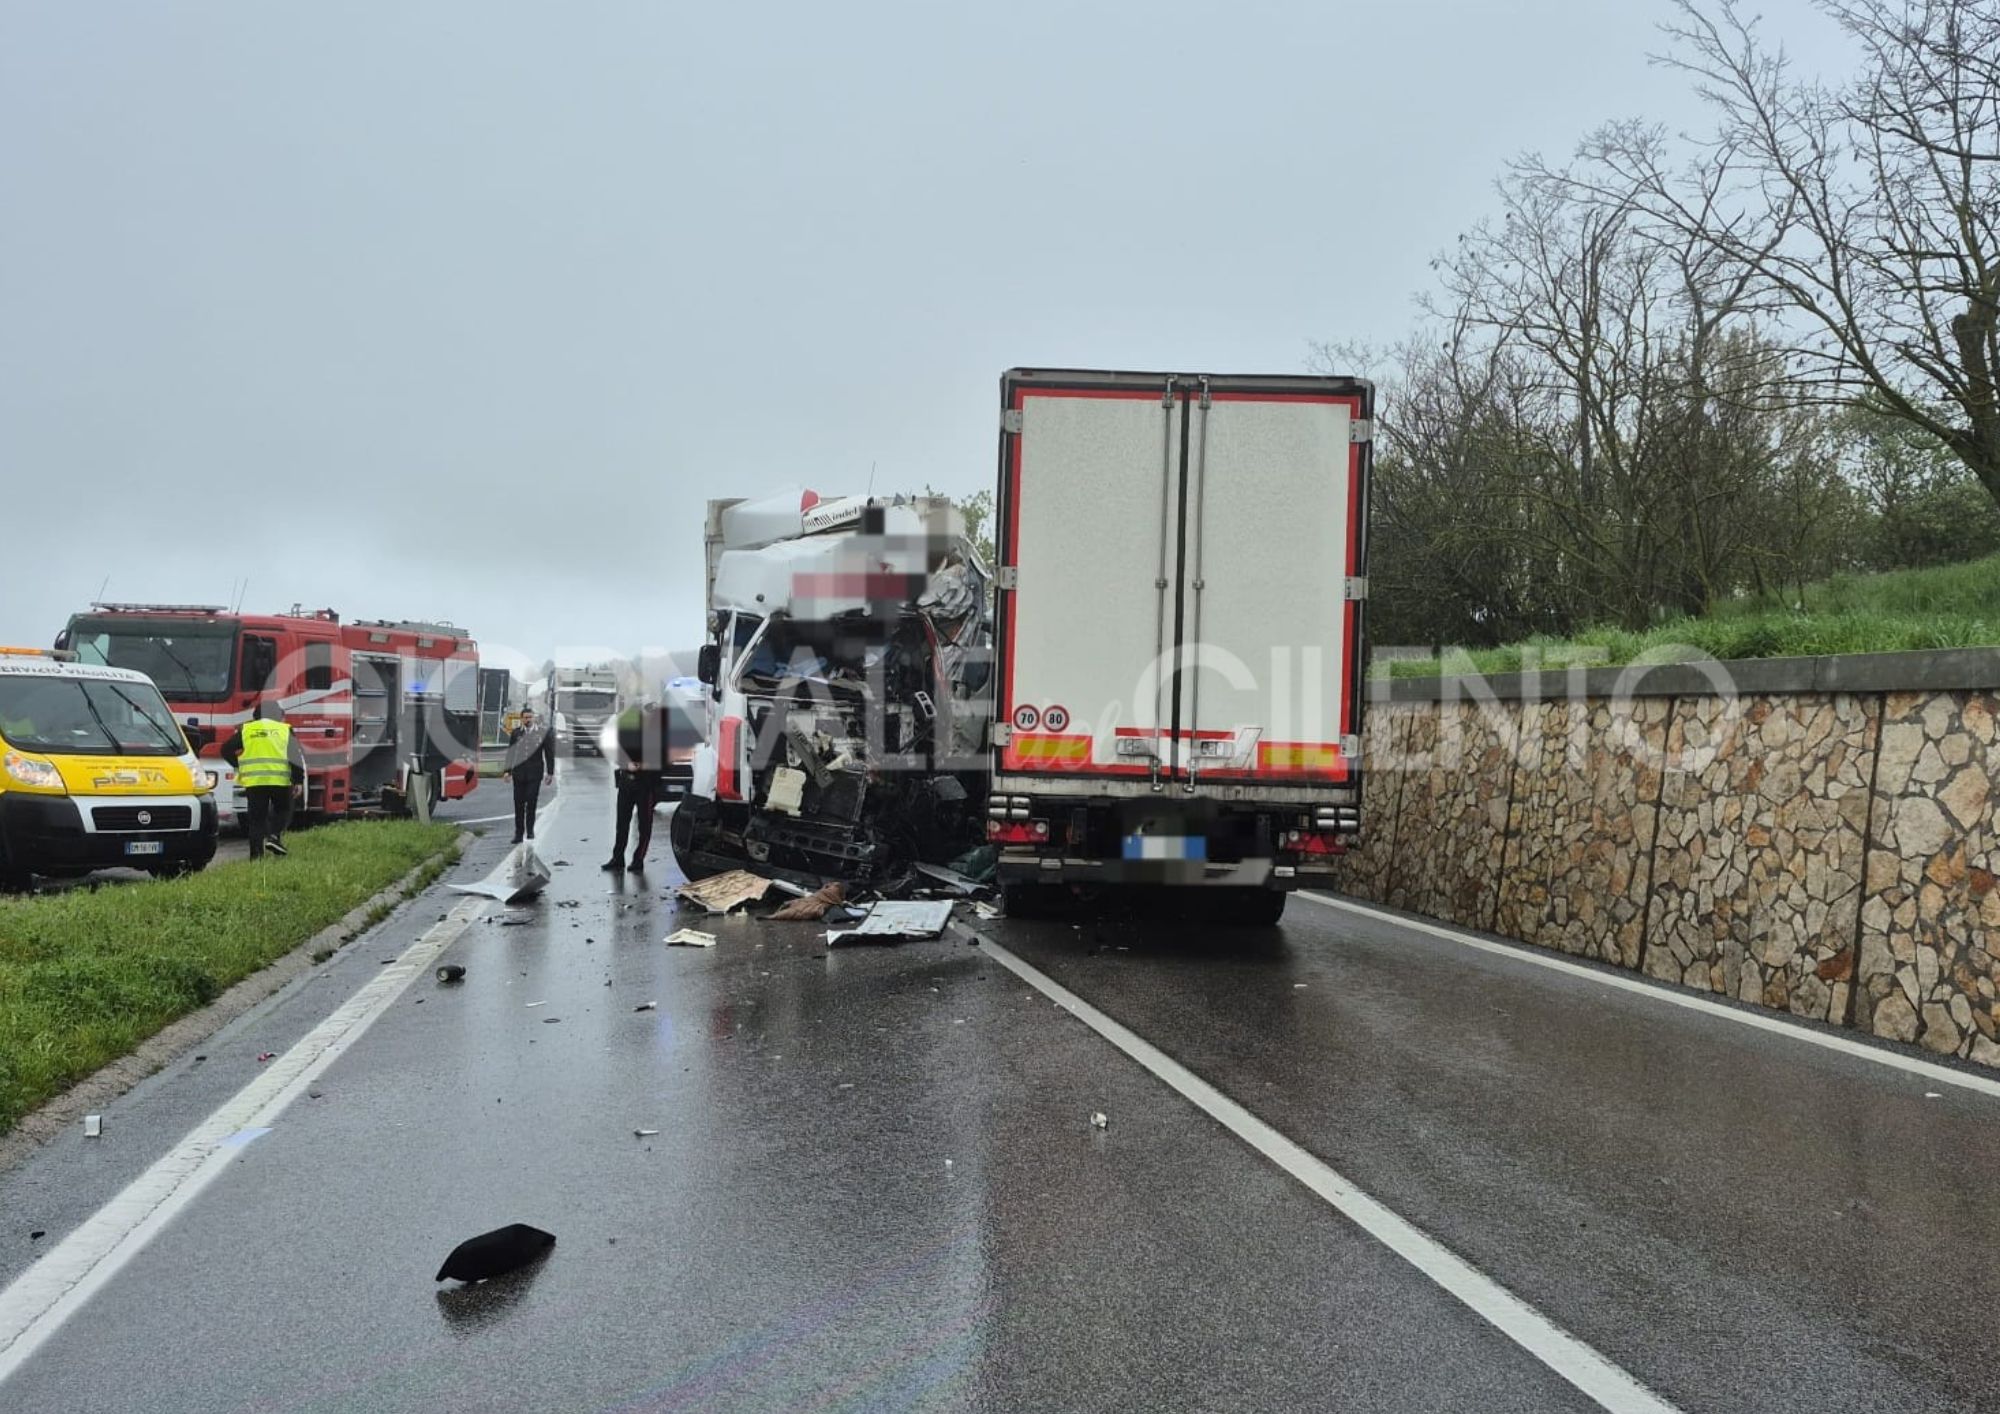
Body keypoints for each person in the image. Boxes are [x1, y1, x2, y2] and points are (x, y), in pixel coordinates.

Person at [222, 700, 305, 859]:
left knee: (256, 820)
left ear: (256, 715)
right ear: (278, 714)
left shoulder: (247, 729)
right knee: (283, 810)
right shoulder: (284, 729)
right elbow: (295, 757)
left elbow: (225, 749)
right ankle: (274, 837)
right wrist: (298, 780)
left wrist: (240, 765)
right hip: (279, 781)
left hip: (255, 782)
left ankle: (256, 857)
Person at [602, 703, 669, 872]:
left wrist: (644, 765)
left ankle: (638, 859)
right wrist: (627, 764)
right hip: (626, 783)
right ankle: (618, 858)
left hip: (645, 786)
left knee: (644, 826)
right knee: (621, 824)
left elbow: (664, 764)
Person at [505, 707, 556, 843]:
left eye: (530, 717)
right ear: (521, 719)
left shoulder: (542, 733)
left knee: (531, 801)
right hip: (519, 773)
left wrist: (550, 773)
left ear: (534, 718)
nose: (528, 720)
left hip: (535, 773)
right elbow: (511, 753)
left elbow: (549, 754)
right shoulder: (516, 733)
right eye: (525, 717)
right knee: (518, 803)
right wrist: (507, 771)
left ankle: (530, 830)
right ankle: (518, 833)